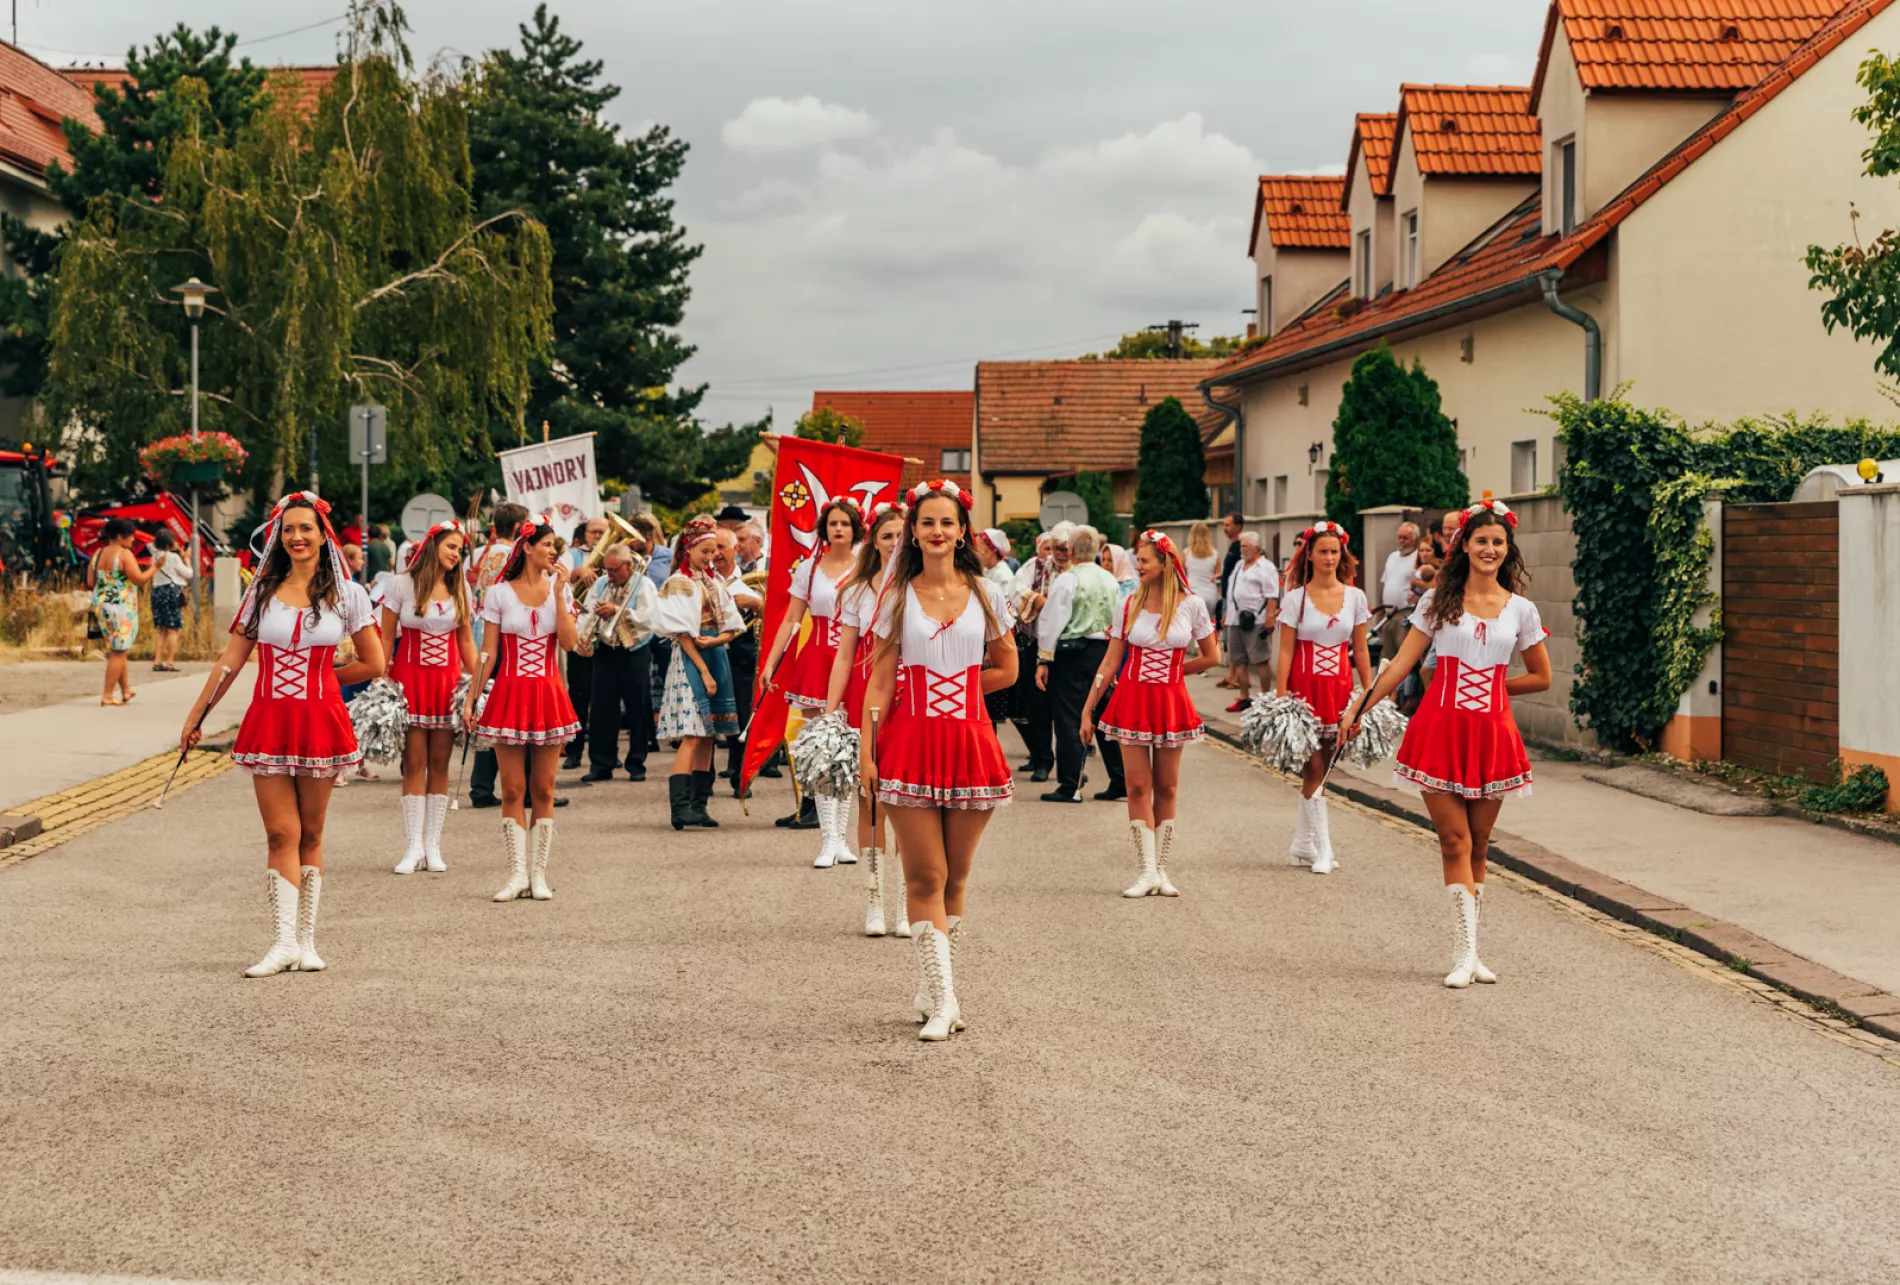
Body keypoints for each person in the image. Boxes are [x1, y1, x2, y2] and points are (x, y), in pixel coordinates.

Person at [1350, 499, 1552, 988]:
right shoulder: (1438, 601)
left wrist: (1494, 685)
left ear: (1508, 550)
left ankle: (1475, 953)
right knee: (1454, 839)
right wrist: (1359, 706)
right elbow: (1399, 665)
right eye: (1481, 540)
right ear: (1464, 544)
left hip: (1492, 734)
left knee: (1480, 842)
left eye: (1498, 542)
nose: (1489, 549)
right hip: (1439, 729)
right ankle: (1462, 954)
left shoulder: (1521, 609)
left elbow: (1542, 676)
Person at [182, 492, 385, 976]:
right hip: (269, 719)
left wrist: (323, 678)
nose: (297, 536)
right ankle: (282, 942)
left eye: (306, 529)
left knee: (311, 833)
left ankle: (307, 942)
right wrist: (196, 717)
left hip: (320, 719)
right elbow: (231, 660)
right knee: (280, 832)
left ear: (322, 536)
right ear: (278, 536)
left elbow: (375, 662)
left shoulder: (347, 594)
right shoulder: (260, 593)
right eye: (289, 529)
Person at [859, 479, 1017, 1042]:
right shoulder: (895, 596)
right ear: (913, 532)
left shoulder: (988, 594)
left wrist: (966, 690)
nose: (936, 532)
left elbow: (1007, 667)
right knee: (924, 873)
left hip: (970, 741)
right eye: (926, 523)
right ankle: (945, 1001)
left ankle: (934, 986)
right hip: (909, 742)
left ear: (962, 530)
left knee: (957, 878)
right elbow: (878, 680)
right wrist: (866, 751)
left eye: (946, 522)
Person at [1080, 531, 1220, 898]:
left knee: (1168, 786)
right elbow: (1110, 661)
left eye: (1144, 561)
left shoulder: (1192, 605)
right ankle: (1145, 871)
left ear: (1165, 563)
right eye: (1137, 560)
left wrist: (1177, 672)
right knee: (1137, 786)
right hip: (1132, 700)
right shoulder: (1128, 605)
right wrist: (1088, 708)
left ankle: (1162, 870)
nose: (1137, 566)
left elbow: (1212, 656)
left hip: (1171, 700)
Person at [463, 512, 580, 903]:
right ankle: (516, 874)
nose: (553, 551)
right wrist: (472, 697)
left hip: (547, 693)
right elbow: (488, 652)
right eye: (546, 544)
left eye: (555, 546)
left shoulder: (560, 592)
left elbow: (568, 643)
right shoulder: (498, 593)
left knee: (544, 788)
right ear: (527, 547)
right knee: (512, 788)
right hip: (509, 692)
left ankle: (539, 875)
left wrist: (562, 593)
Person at [760, 497, 865, 863]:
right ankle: (826, 839)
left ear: (855, 530)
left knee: (848, 750)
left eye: (845, 524)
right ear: (824, 529)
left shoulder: (869, 566)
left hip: (856, 663)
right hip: (817, 662)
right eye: (833, 523)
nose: (839, 529)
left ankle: (843, 839)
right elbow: (790, 620)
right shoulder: (809, 569)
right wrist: (771, 662)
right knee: (822, 752)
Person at [825, 501, 910, 937]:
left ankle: (905, 904)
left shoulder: (920, 586)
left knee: (909, 805)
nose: (895, 542)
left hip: (910, 698)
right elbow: (843, 656)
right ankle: (875, 900)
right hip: (866, 694)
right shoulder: (856, 590)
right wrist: (830, 709)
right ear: (873, 542)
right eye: (886, 535)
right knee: (871, 800)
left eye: (901, 535)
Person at [1275, 522, 1372, 876]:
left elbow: (1360, 649)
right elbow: (1285, 652)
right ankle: (1325, 848)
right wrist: (1282, 700)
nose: (1330, 558)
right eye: (1323, 552)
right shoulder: (1295, 598)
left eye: (1335, 552)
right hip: (1305, 690)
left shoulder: (1356, 597)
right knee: (1314, 766)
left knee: (1324, 768)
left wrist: (1366, 695)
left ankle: (1304, 842)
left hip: (1340, 690)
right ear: (1310, 556)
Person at [380, 521, 478, 874]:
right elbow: (385, 638)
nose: (455, 555)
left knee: (440, 765)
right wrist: (381, 682)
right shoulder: (401, 584)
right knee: (413, 765)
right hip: (409, 684)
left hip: (447, 686)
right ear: (433, 543)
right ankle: (412, 848)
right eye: (451, 546)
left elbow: (466, 641)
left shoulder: (460, 587)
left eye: (460, 550)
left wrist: (478, 686)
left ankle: (434, 845)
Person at [654, 516, 746, 830]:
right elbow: (682, 634)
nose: (710, 557)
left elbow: (732, 626)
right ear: (689, 548)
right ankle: (680, 808)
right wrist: (705, 671)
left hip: (713, 651)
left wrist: (718, 640)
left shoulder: (712, 581)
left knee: (709, 734)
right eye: (705, 551)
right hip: (693, 657)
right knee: (693, 734)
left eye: (714, 551)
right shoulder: (679, 582)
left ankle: (699, 805)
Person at [1036, 525, 1126, 804]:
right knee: (1103, 717)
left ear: (1071, 551)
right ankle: (1119, 780)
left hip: (1072, 654)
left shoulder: (1067, 579)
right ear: (1098, 550)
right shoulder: (1110, 580)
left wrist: (1043, 659)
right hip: (1104, 652)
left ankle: (1070, 785)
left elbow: (1052, 621)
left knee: (1069, 718)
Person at [464, 504, 529, 810]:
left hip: (486, 634)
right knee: (513, 707)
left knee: (491, 707)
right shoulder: (510, 555)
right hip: (505, 637)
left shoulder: (486, 552)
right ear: (517, 528)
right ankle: (524, 787)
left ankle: (481, 786)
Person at [578, 542, 658, 782]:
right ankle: (601, 764)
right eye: (607, 569)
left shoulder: (644, 585)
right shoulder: (602, 583)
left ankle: (637, 764)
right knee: (602, 709)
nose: (609, 575)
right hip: (605, 650)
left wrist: (620, 612)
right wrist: (584, 634)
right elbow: (587, 612)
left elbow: (650, 617)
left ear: (629, 566)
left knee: (638, 708)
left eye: (614, 570)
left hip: (634, 651)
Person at [1006, 529, 1064, 780]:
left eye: (1061, 547)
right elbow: (1015, 588)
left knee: (1065, 709)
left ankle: (1069, 767)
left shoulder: (1078, 570)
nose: (1056, 553)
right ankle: (1042, 760)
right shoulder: (1036, 566)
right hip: (1035, 642)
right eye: (1052, 547)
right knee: (1037, 706)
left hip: (1067, 645)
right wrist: (1038, 600)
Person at [713, 528, 762, 792]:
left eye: (722, 547)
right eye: (713, 548)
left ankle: (740, 778)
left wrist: (755, 604)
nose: (717, 553)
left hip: (741, 657)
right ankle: (702, 781)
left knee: (743, 717)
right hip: (709, 653)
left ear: (736, 550)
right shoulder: (703, 579)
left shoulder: (749, 580)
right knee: (707, 719)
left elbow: (771, 612)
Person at [88, 517, 156, 705]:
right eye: (130, 536)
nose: (133, 540)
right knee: (118, 650)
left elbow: (90, 582)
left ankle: (126, 690)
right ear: (119, 536)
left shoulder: (97, 554)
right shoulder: (124, 555)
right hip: (121, 607)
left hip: (102, 606)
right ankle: (108, 695)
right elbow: (139, 579)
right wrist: (155, 568)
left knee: (118, 647)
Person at [561, 517, 610, 770]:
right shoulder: (572, 555)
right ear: (585, 534)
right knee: (578, 694)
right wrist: (576, 573)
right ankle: (574, 750)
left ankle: (605, 755)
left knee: (606, 697)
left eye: (603, 532)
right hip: (580, 631)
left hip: (608, 633)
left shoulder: (616, 554)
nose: (598, 536)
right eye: (594, 532)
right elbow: (555, 579)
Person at [1222, 533, 1280, 711]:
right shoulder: (1240, 565)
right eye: (1241, 546)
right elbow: (1232, 591)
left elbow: (1272, 594)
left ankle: (1264, 698)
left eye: (1245, 546)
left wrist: (1270, 618)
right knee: (1239, 659)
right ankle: (1244, 697)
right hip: (1236, 618)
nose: (1242, 549)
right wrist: (1227, 613)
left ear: (1256, 547)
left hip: (1256, 619)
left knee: (1260, 659)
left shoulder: (1266, 567)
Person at [148, 527, 192, 673]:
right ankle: (170, 662)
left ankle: (157, 661)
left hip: (156, 592)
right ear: (169, 543)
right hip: (171, 592)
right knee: (173, 629)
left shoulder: (154, 557)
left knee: (162, 629)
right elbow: (188, 573)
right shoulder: (173, 558)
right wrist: (187, 560)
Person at [1378, 521, 1421, 663]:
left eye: (1405, 538)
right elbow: (1385, 583)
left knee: (1403, 660)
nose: (1401, 541)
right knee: (1386, 659)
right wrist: (1381, 612)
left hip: (1406, 615)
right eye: (1399, 537)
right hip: (1388, 616)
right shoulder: (1392, 557)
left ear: (1414, 540)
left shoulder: (1417, 557)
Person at [1214, 512, 1245, 686]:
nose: (1225, 528)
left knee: (1232, 638)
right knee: (1229, 637)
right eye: (1224, 525)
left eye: (1228, 525)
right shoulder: (1232, 546)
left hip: (1234, 599)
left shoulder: (1240, 546)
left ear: (1238, 526)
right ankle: (1230, 674)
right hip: (1227, 596)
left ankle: (1235, 676)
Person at [1185, 521, 1219, 617]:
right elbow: (1218, 575)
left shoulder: (1186, 554)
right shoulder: (1215, 554)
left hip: (1193, 593)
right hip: (1210, 595)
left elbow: (1181, 575)